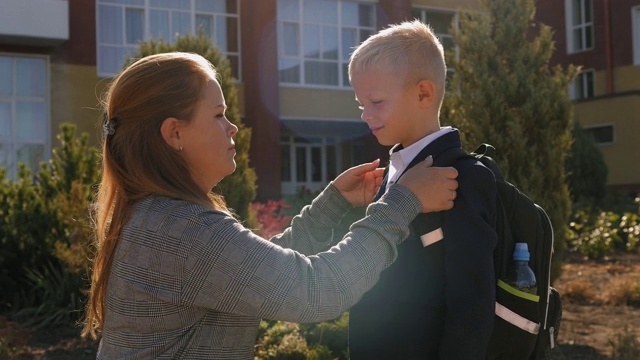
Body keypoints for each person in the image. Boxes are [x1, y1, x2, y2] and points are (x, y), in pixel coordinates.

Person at [80, 51, 459, 359]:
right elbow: (317, 291)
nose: (232, 127)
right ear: (174, 133)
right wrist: (401, 201)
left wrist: (332, 204)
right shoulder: (181, 230)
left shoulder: (161, 217)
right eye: (217, 115)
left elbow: (255, 276)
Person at [347, 20, 499, 359]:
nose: (365, 115)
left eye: (375, 101)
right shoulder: (392, 173)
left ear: (423, 93)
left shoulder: (462, 177)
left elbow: (471, 306)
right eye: (361, 104)